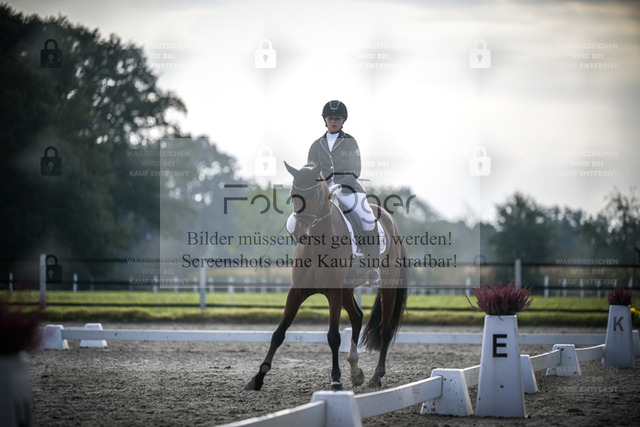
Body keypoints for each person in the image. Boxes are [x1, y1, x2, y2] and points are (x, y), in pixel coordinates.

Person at [308, 100, 380, 285]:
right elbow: (311, 171)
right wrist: (323, 186)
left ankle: (372, 267)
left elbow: (356, 169)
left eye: (337, 118)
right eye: (330, 118)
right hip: (323, 193)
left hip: (349, 190)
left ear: (343, 120)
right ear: (325, 120)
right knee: (300, 218)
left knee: (367, 218)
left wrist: (339, 184)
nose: (333, 121)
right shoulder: (316, 145)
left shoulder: (350, 142)